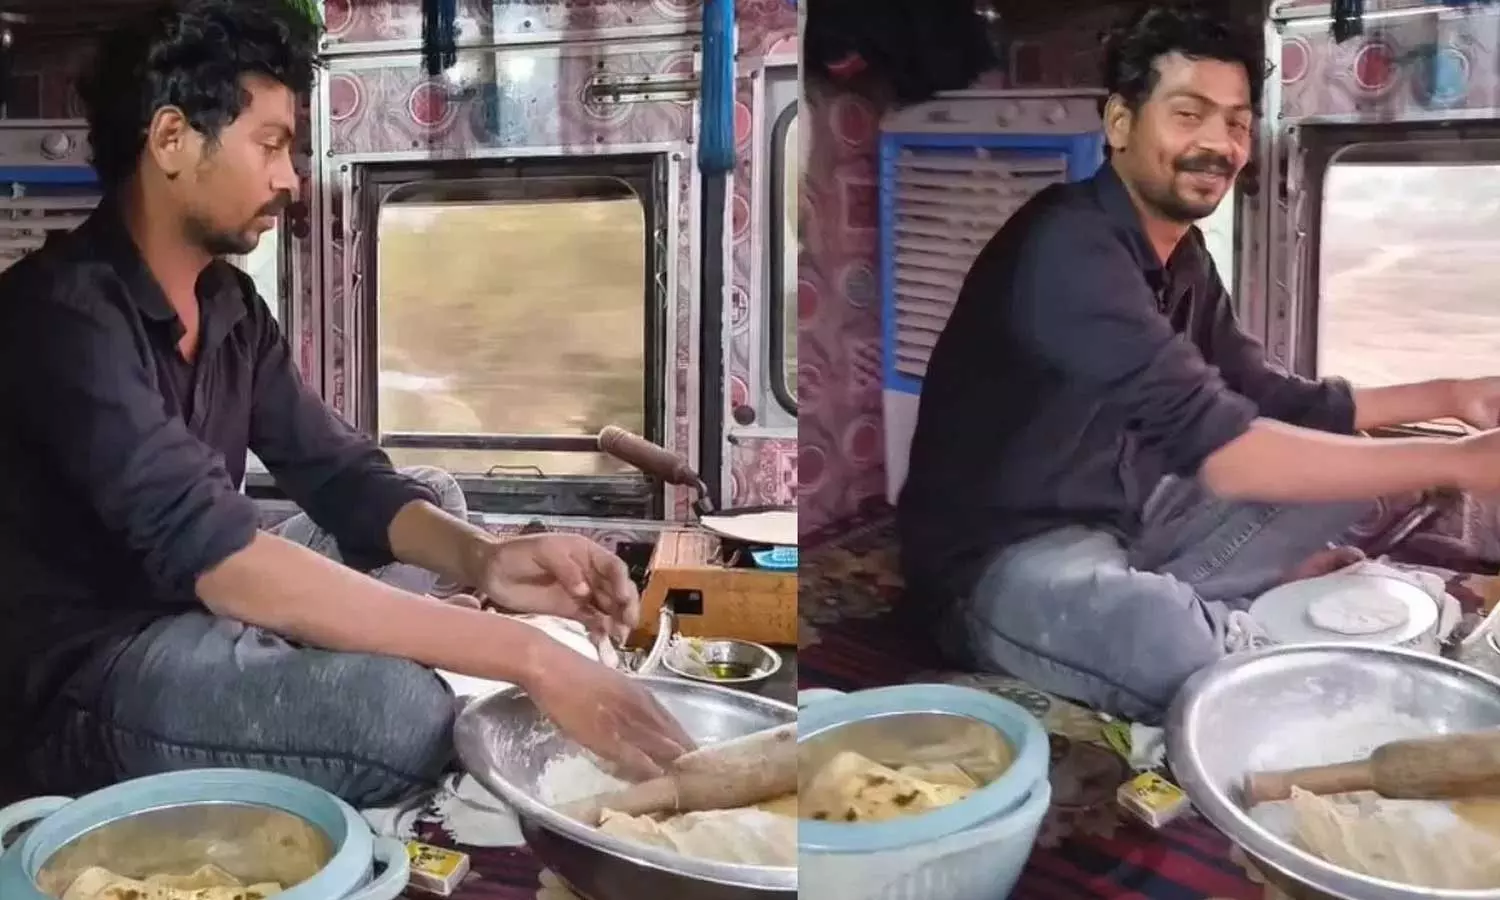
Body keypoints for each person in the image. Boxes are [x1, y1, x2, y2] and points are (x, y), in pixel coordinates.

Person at [0, 0, 692, 808]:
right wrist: (529, 656)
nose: (290, 180)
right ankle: (304, 662)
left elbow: (337, 475)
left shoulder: (231, 308)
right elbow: (215, 553)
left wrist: (486, 562)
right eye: (270, 145)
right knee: (399, 717)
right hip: (90, 671)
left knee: (430, 498)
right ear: (172, 140)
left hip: (192, 598)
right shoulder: (60, 316)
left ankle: (303, 646)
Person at [897, 5, 1500, 724]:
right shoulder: (1065, 247)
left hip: (1132, 516)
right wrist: (1460, 463)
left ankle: (1216, 602)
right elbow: (1228, 459)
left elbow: (1265, 394)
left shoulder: (1183, 258)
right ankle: (1233, 632)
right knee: (1166, 642)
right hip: (1003, 556)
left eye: (1238, 124)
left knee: (1346, 472)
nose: (1219, 144)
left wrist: (1453, 396)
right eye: (1189, 115)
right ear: (1121, 123)